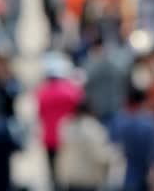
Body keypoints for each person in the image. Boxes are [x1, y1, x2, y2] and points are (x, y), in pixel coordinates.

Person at [36, 52, 84, 185]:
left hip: (50, 138)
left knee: (54, 173)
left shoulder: (42, 93)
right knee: (68, 173)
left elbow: (40, 113)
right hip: (68, 137)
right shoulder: (72, 91)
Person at [110, 87, 154, 191]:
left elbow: (112, 145)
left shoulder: (118, 119)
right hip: (144, 171)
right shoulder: (148, 121)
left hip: (121, 172)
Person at [57, 101, 116, 191]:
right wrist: (115, 155)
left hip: (70, 177)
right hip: (88, 179)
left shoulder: (66, 125)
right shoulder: (92, 128)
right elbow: (101, 155)